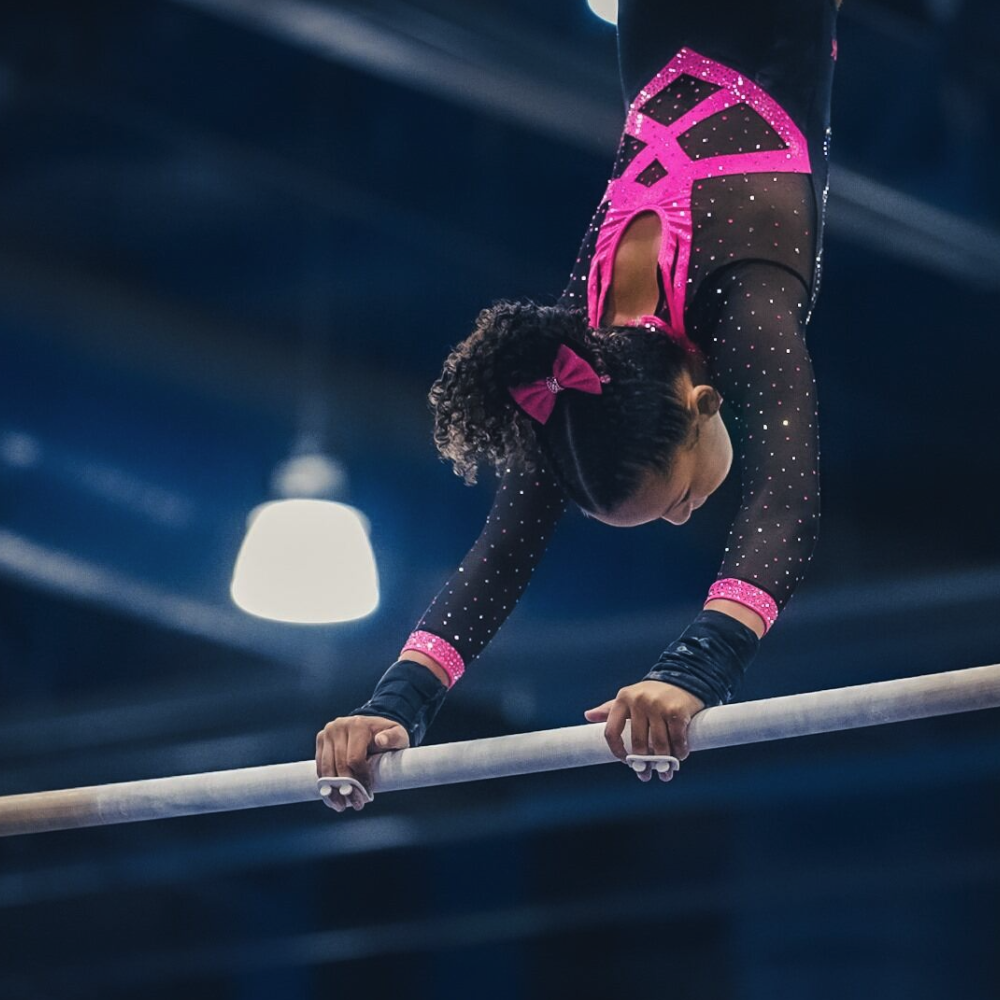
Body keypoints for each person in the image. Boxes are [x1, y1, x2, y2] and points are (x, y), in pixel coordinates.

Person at [316, 0, 840, 811]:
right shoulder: (584, 348)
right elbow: (503, 550)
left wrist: (696, 666)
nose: (684, 517)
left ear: (704, 403)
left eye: (677, 497)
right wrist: (396, 703)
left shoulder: (750, 298)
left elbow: (786, 501)